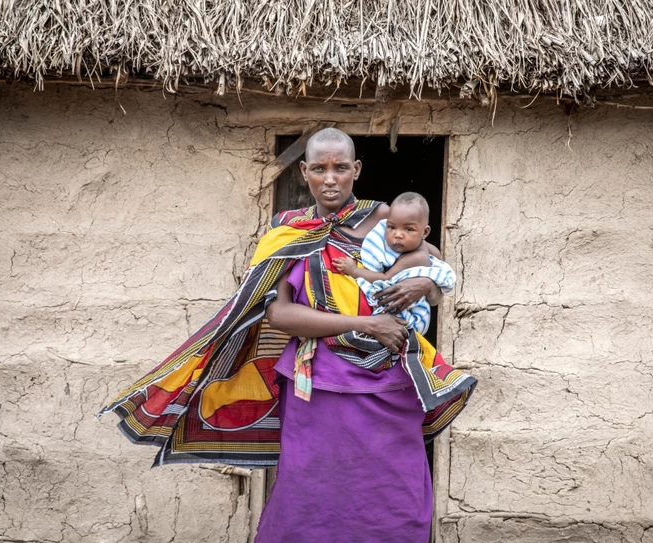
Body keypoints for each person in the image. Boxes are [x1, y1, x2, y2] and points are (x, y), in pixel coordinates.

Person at [98, 128, 476, 542]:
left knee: (393, 496)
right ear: (304, 171)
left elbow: (438, 277)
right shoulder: (287, 232)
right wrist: (365, 323)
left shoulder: (387, 220)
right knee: (309, 496)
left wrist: (425, 287)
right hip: (317, 385)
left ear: (357, 169)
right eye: (319, 168)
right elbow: (279, 314)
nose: (330, 178)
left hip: (390, 383)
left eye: (340, 168)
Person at [333, 191, 454, 336]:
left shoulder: (416, 257)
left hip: (411, 320)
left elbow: (386, 278)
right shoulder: (427, 248)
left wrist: (353, 271)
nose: (398, 234)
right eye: (391, 227)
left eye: (408, 229)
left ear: (425, 232)